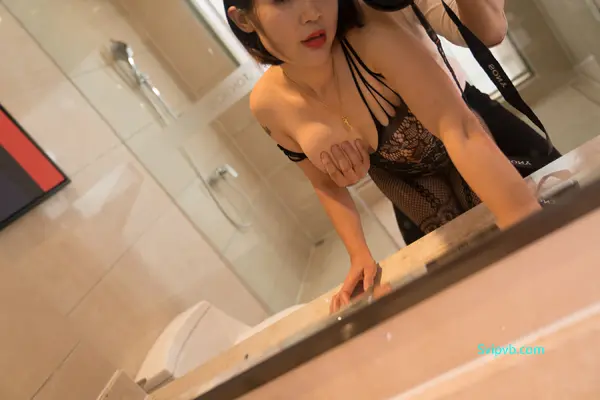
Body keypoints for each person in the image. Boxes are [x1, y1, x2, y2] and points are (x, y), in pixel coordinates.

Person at [224, 0, 551, 313]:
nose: (311, 13)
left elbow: (460, 130)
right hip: (417, 199)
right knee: (479, 303)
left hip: (490, 153)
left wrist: (527, 224)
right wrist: (359, 254)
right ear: (243, 19)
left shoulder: (372, 39)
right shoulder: (267, 105)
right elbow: (323, 183)